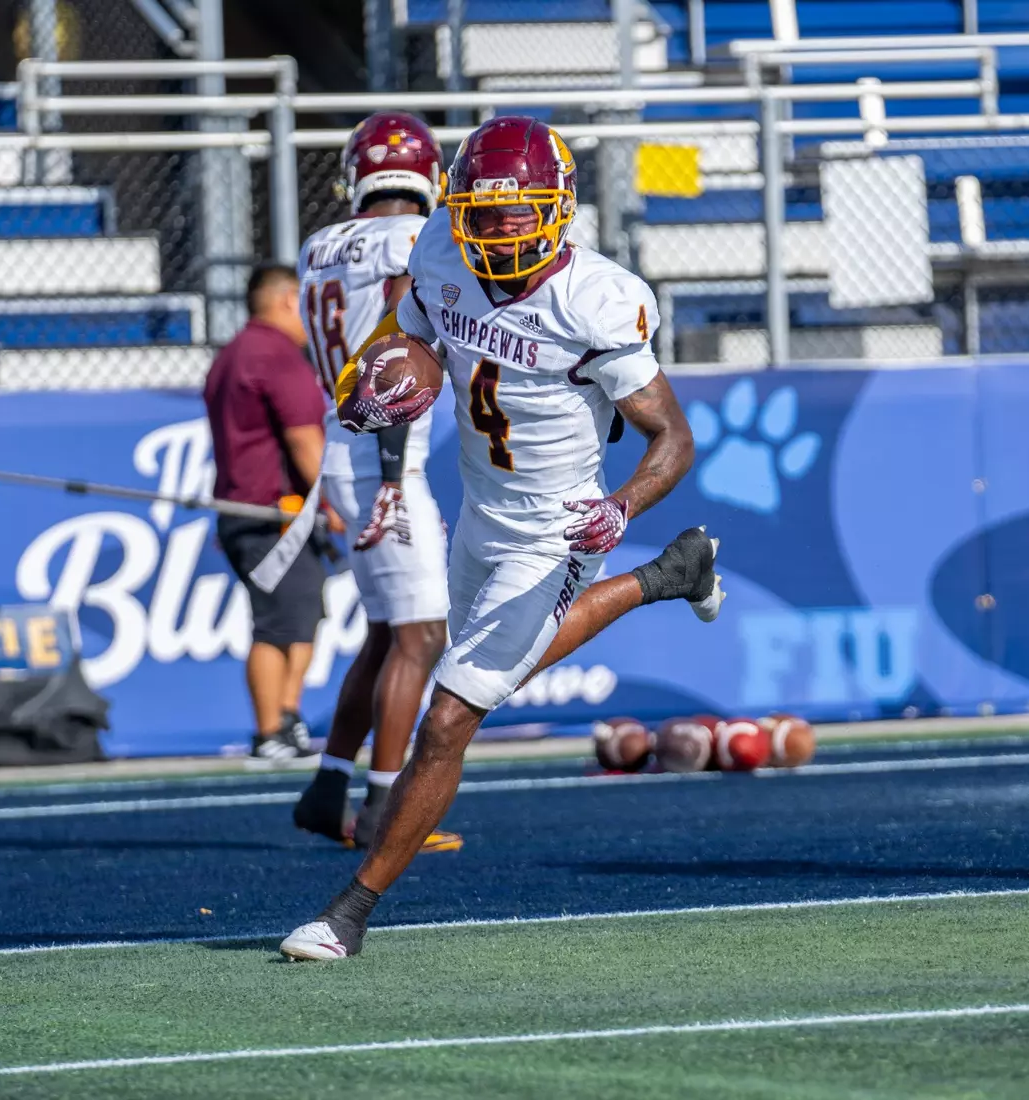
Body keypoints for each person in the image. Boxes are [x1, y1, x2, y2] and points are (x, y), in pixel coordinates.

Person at [280, 116, 724, 960]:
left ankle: (347, 914)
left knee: (450, 717)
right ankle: (670, 575)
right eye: (484, 212)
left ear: (558, 208)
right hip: (480, 512)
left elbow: (673, 437)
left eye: (518, 211)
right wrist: (378, 380)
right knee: (491, 665)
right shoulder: (441, 248)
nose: (500, 229)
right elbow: (407, 334)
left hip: (560, 526)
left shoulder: (597, 297)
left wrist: (621, 508)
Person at [291, 111, 459, 850]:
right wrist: (393, 475)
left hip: (344, 440)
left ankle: (328, 788)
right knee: (422, 635)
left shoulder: (319, 245)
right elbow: (395, 347)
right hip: (381, 449)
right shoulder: (413, 238)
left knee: (389, 629)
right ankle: (387, 810)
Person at [205, 263, 336, 761]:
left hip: (256, 512)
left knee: (300, 614)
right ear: (286, 299)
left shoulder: (232, 354)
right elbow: (304, 439)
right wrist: (335, 501)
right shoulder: (277, 355)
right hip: (273, 517)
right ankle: (268, 732)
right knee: (276, 624)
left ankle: (286, 717)